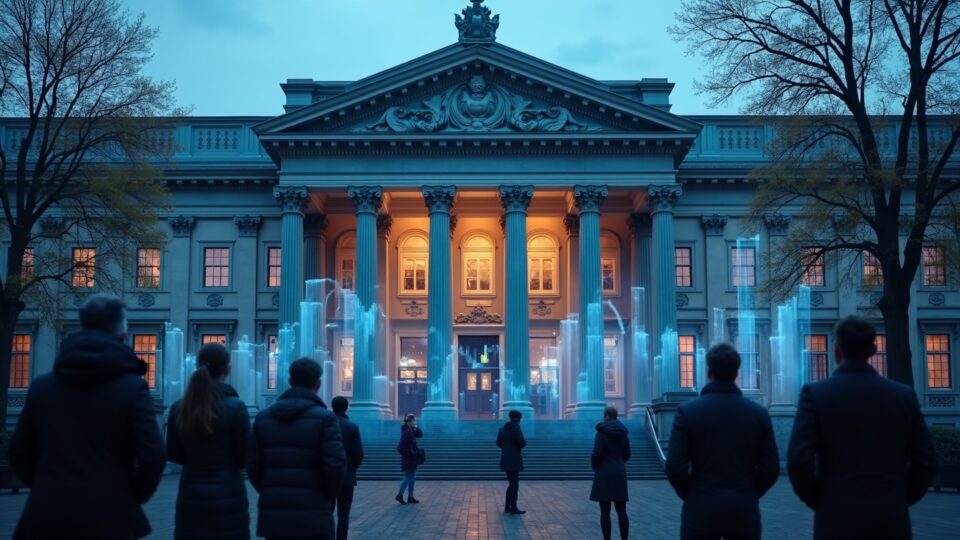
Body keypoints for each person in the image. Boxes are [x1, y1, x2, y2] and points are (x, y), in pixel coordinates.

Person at [8, 295, 166, 539]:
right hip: (109, 517)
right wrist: (129, 495)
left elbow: (18, 453)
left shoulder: (41, 387)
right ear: (123, 337)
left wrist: (46, 485)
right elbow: (153, 456)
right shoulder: (132, 388)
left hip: (45, 516)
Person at [787, 316, 938, 540]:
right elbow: (926, 462)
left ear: (837, 350)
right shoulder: (903, 396)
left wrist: (820, 499)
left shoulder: (816, 395)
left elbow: (799, 461)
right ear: (874, 350)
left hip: (836, 515)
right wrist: (899, 497)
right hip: (890, 515)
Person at [666, 343, 780, 540]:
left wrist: (693, 494)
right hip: (743, 510)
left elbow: (675, 467)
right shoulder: (758, 414)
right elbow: (770, 468)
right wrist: (749, 493)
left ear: (709, 370)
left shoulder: (688, 412)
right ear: (736, 373)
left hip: (700, 509)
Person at [248, 357, 347, 540]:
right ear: (318, 384)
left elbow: (253, 466)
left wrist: (270, 490)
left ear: (290, 382)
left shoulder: (262, 418)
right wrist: (325, 495)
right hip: (314, 515)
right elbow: (336, 465)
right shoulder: (326, 419)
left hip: (274, 516)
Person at [167, 342, 250, 540]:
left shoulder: (179, 408)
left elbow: (173, 453)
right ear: (227, 369)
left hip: (191, 493)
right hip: (229, 494)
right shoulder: (236, 407)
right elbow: (245, 456)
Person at [590, 406, 631, 540]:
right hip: (619, 472)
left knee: (605, 512)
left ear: (606, 416)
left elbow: (597, 453)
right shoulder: (624, 433)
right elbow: (627, 454)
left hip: (604, 472)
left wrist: (596, 466)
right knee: (622, 511)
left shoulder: (601, 433)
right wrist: (619, 463)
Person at [330, 396, 364, 540]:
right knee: (344, 514)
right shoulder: (352, 427)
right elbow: (359, 454)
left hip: (327, 476)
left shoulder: (325, 424)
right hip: (346, 476)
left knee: (326, 512)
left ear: (332, 407)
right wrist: (351, 467)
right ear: (347, 407)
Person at [496, 409, 528, 515]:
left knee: (511, 484)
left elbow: (498, 443)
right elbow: (522, 443)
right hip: (514, 460)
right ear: (519, 419)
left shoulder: (502, 429)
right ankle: (513, 508)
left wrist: (506, 448)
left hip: (505, 459)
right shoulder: (516, 429)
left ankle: (507, 507)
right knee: (514, 485)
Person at [395, 413, 423, 504]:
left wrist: (415, 426)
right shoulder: (406, 432)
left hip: (412, 459)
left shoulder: (411, 430)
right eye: (414, 420)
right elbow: (400, 448)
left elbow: (420, 434)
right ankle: (399, 495)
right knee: (408, 477)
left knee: (412, 478)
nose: (415, 421)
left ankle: (410, 496)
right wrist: (410, 454)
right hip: (408, 459)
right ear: (409, 422)